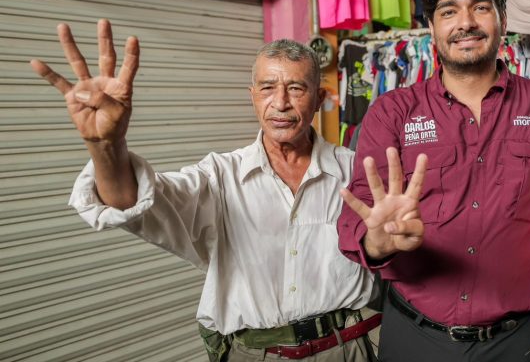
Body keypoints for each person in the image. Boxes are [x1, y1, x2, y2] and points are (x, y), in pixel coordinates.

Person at [30, 20, 379, 362]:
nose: (281, 102)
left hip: (347, 348)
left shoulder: (355, 170)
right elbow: (135, 203)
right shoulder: (219, 175)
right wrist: (106, 144)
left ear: (318, 98)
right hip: (255, 354)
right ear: (253, 97)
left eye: (297, 88)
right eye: (268, 87)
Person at [338, 0, 530, 361]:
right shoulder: (392, 113)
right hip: (415, 336)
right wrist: (378, 241)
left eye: (480, 7)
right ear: (432, 28)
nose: (466, 22)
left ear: (503, 20)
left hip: (523, 338)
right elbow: (360, 214)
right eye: (449, 11)